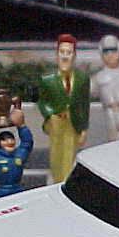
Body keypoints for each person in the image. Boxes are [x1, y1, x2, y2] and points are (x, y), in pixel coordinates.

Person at [37, 34, 90, 183]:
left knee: (70, 153)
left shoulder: (82, 79)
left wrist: (84, 128)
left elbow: (84, 104)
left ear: (74, 55)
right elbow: (42, 102)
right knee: (56, 153)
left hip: (73, 122)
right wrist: (50, 115)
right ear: (57, 54)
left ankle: (65, 181)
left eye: (69, 52)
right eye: (62, 52)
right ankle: (56, 179)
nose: (65, 56)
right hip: (56, 122)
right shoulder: (47, 79)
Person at [0, 108, 33, 198]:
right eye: (5, 140)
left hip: (18, 190)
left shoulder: (18, 155)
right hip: (2, 192)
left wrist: (22, 126)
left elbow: (27, 144)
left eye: (11, 139)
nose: (9, 142)